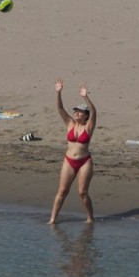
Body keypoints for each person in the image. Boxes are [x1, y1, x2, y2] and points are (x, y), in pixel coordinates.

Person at [49, 79, 95, 224]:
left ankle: (90, 218)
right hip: (69, 160)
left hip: (84, 162)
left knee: (82, 193)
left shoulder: (88, 127)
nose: (76, 113)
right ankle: (52, 219)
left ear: (85, 115)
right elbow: (60, 109)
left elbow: (94, 111)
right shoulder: (70, 124)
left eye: (80, 111)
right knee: (62, 191)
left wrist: (85, 97)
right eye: (76, 111)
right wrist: (58, 93)